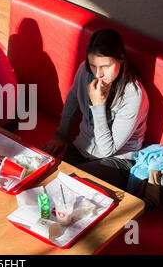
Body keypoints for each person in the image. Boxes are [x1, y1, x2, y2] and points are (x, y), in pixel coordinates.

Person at [42, 29, 149, 190]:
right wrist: (61, 135)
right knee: (45, 177)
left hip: (116, 162)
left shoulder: (133, 96)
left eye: (105, 66)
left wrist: (99, 106)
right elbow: (72, 100)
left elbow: (107, 150)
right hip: (81, 150)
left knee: (68, 185)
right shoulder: (85, 71)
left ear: (121, 59)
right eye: (93, 65)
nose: (98, 73)